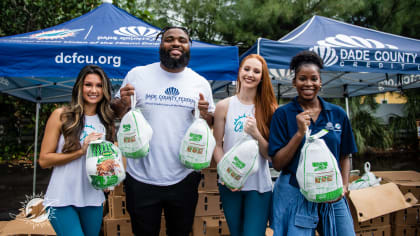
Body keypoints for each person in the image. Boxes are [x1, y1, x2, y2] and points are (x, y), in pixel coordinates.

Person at [111, 26, 215, 236]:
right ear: (161, 44)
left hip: (184, 176)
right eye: (169, 39)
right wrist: (121, 103)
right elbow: (120, 113)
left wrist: (205, 115)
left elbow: (209, 122)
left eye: (182, 40)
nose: (176, 43)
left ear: (188, 47)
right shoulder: (138, 75)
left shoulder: (200, 83)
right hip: (141, 177)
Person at [268, 50, 357, 236]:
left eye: (314, 79)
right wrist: (299, 133)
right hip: (295, 191)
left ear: (320, 82)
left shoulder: (337, 113)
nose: (308, 84)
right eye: (302, 78)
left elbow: (345, 154)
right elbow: (277, 163)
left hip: (331, 191)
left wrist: (344, 185)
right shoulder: (283, 115)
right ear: (294, 82)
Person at [39, 65, 115, 236]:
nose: (94, 90)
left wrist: (108, 178)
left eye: (99, 85)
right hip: (61, 199)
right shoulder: (61, 115)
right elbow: (44, 160)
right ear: (79, 87)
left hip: (93, 200)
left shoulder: (107, 121)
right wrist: (81, 151)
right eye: (88, 84)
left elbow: (106, 160)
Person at [213, 54, 278, 236]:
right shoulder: (224, 106)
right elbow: (217, 145)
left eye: (256, 71)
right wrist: (226, 175)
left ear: (262, 77)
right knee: (236, 232)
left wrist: (256, 133)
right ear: (239, 71)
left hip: (258, 187)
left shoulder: (270, 109)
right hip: (230, 183)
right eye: (246, 69)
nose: (250, 74)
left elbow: (271, 156)